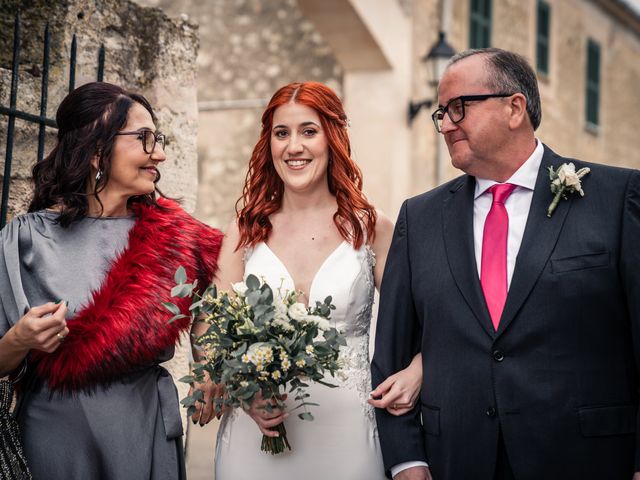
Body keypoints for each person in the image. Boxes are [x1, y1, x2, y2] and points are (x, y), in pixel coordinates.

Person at [371, 48, 640, 480]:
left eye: (459, 107)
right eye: (440, 113)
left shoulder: (616, 197)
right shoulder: (418, 219)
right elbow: (392, 355)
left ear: (515, 108)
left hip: (587, 460)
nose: (445, 124)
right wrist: (407, 462)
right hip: (457, 462)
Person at [0, 82, 222, 479]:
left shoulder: (175, 237)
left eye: (159, 138)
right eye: (144, 139)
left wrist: (205, 365)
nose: (160, 153)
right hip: (56, 438)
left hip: (144, 430)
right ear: (97, 149)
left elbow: (205, 301)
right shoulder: (25, 240)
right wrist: (20, 340)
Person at [208, 81, 422, 480]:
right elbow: (211, 331)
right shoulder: (244, 233)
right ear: (267, 144)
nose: (294, 147)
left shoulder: (373, 230)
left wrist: (418, 370)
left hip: (349, 439)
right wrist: (244, 391)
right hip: (254, 440)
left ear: (332, 138)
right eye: (281, 133)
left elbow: (426, 320)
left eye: (309, 131)